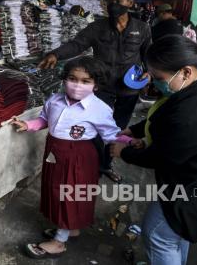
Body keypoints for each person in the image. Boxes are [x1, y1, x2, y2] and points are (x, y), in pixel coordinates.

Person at [110, 35, 197, 265]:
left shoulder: (191, 114)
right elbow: (166, 121)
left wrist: (123, 152)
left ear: (186, 72)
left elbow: (160, 156)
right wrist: (138, 131)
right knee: (176, 236)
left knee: (158, 235)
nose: (153, 83)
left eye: (158, 77)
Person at [11, 57, 128, 259]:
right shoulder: (54, 100)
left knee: (70, 196)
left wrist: (131, 143)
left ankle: (58, 243)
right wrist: (28, 125)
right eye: (73, 78)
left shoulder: (100, 109)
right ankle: (70, 229)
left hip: (80, 157)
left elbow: (111, 134)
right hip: (55, 153)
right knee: (55, 191)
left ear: (96, 85)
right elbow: (44, 120)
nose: (78, 85)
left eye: (86, 81)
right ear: (64, 79)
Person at [38, 0, 152, 183]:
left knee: (118, 128)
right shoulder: (97, 27)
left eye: (118, 0)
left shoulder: (142, 29)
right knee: (94, 125)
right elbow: (77, 44)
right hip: (103, 87)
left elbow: (149, 53)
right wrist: (55, 54)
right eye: (109, 0)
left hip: (129, 88)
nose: (113, 4)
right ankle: (92, 163)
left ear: (130, 3)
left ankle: (106, 165)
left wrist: (149, 72)